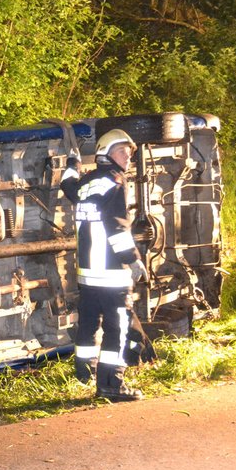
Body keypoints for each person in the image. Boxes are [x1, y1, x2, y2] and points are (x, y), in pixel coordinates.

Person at [63, 129, 148, 401]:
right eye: (122, 151)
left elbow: (68, 185)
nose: (128, 157)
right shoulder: (115, 182)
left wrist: (72, 164)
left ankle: (84, 372)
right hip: (111, 275)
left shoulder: (87, 182)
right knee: (117, 329)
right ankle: (112, 384)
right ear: (105, 153)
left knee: (88, 324)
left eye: (129, 153)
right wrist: (133, 259)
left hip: (88, 275)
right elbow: (117, 227)